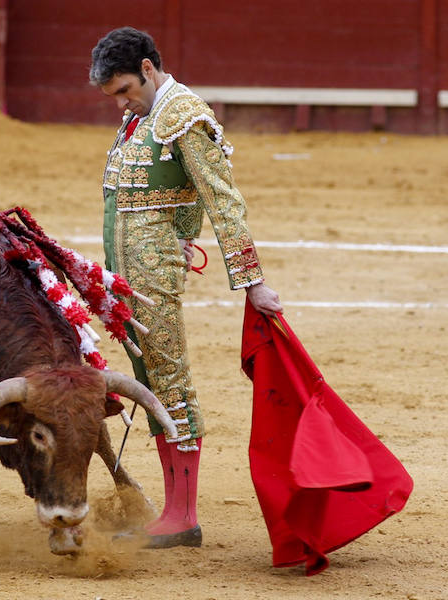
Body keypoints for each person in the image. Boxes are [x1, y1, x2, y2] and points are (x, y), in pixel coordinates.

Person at [90, 26, 283, 549]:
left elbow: (222, 198)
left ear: (149, 69)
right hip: (129, 279)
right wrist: (179, 232)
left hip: (154, 280)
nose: (121, 103)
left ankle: (183, 516)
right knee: (149, 379)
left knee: (169, 382)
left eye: (125, 89)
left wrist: (252, 283)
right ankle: (174, 511)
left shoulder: (184, 115)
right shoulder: (141, 116)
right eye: (114, 96)